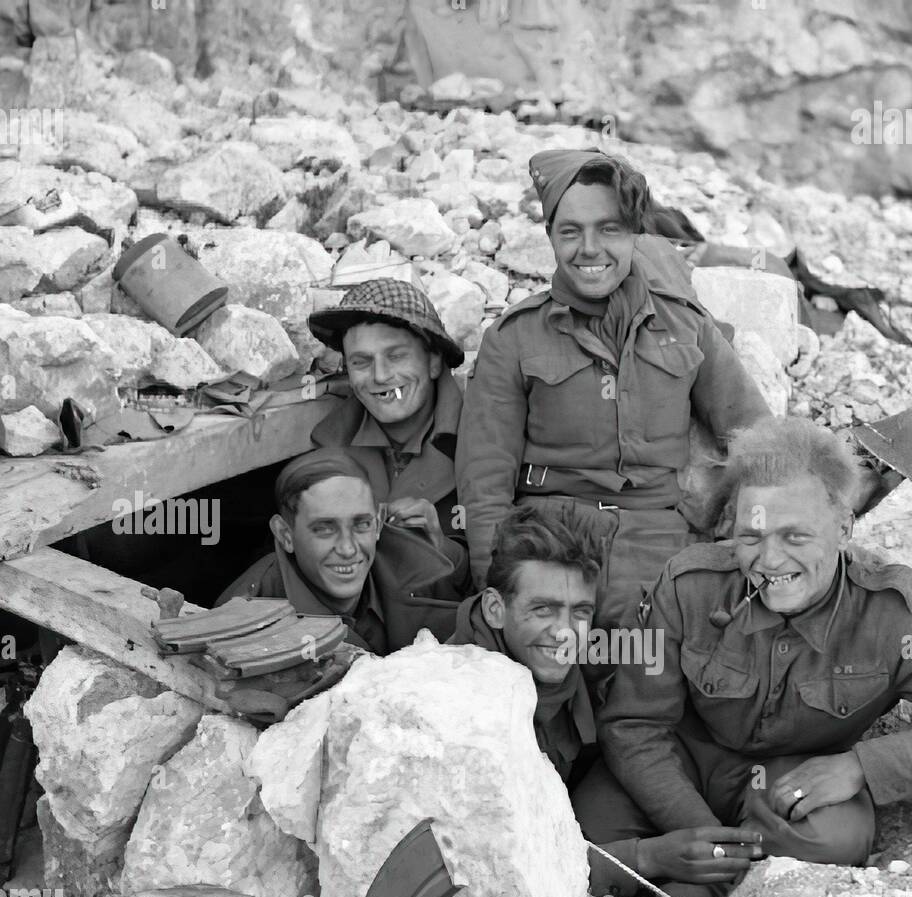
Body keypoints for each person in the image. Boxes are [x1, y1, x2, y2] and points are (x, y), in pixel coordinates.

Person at [591, 416, 912, 897]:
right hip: (680, 764)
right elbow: (635, 727)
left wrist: (858, 767)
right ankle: (695, 876)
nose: (768, 560)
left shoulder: (890, 610)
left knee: (835, 836)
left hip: (787, 785)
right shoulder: (688, 587)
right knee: (587, 838)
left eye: (795, 537)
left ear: (844, 528)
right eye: (751, 537)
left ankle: (699, 886)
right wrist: (694, 829)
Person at [456, 148, 772, 631]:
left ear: (633, 234)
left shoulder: (687, 327)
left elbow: (759, 440)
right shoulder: (513, 337)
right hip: (549, 538)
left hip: (660, 540)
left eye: (609, 228)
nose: (590, 248)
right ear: (550, 236)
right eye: (570, 231)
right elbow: (485, 478)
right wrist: (493, 583)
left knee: (675, 666)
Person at [449, 505, 766, 897]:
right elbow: (485, 868)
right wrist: (647, 858)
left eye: (579, 611)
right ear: (497, 609)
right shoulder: (461, 707)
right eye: (542, 609)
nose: (565, 633)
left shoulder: (588, 652)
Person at [307, 277, 469, 591]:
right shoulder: (329, 448)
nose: (380, 376)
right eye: (361, 362)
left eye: (396, 356)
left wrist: (441, 546)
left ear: (434, 361)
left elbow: (509, 578)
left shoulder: (482, 439)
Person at [217, 450, 461, 656]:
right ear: (285, 535)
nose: (347, 548)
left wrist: (440, 545)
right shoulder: (243, 621)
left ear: (377, 524)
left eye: (361, 524)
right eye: (324, 529)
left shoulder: (417, 565)